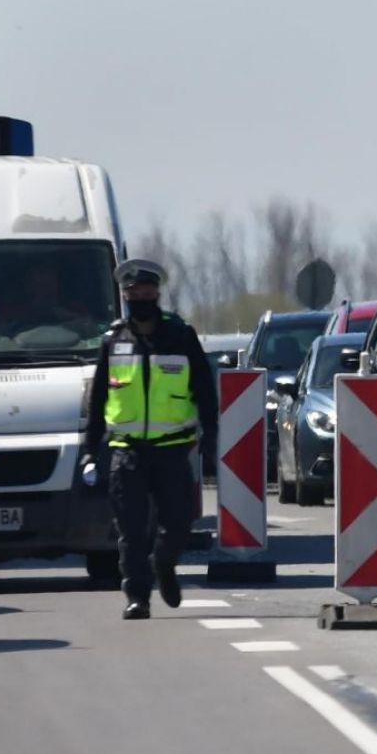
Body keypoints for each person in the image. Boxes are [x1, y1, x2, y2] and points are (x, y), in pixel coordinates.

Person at [83, 259, 219, 620]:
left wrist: (212, 435)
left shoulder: (179, 335)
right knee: (129, 528)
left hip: (173, 448)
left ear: (157, 294)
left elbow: (204, 389)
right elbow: (97, 400)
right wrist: (88, 452)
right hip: (126, 451)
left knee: (177, 523)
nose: (140, 298)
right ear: (124, 296)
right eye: (133, 293)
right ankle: (138, 597)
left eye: (146, 292)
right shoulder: (113, 341)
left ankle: (164, 565)